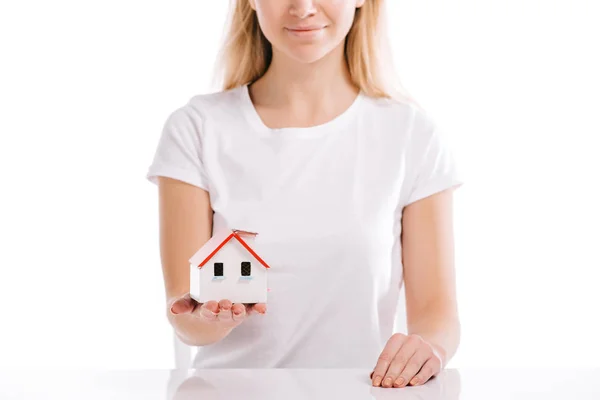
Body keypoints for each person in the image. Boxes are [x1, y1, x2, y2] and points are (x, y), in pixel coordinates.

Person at [146, 0, 463, 389]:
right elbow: (184, 313)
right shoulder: (196, 129)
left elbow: (436, 314)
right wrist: (207, 316)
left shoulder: (411, 135)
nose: (303, 7)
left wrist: (427, 349)